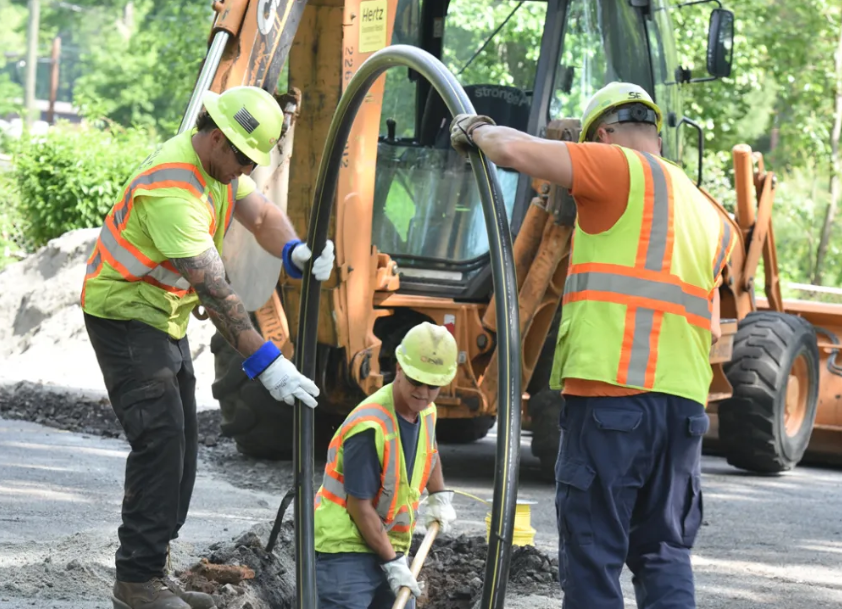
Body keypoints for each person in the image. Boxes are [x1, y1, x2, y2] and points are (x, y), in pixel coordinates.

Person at [449, 82, 736, 609]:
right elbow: (713, 328)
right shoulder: (710, 212)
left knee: (592, 554)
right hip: (684, 412)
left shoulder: (618, 168)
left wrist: (477, 129)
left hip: (613, 400)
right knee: (664, 552)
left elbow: (512, 150)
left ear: (602, 135)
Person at [80, 85, 335, 609]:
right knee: (160, 441)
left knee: (184, 449)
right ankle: (136, 583)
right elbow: (217, 294)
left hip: (161, 314)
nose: (244, 169)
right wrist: (269, 364)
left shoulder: (219, 168)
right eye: (241, 156)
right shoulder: (174, 191)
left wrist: (295, 251)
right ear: (215, 137)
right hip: (124, 312)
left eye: (250, 160)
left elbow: (262, 217)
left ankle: (155, 568)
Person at [313, 322, 459, 609]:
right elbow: (359, 506)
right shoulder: (370, 426)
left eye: (433, 385)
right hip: (346, 548)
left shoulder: (427, 411)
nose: (423, 392)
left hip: (389, 542)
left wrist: (439, 494)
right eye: (416, 381)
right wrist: (392, 563)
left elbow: (430, 451)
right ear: (399, 368)